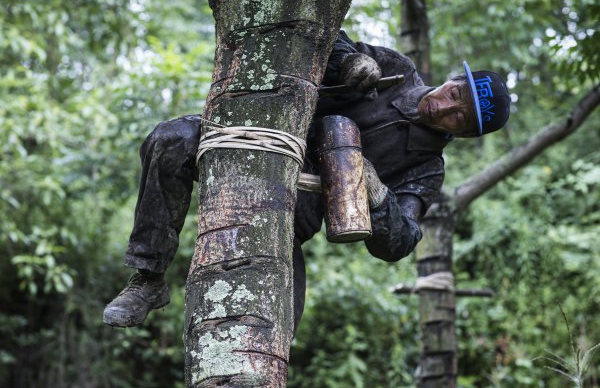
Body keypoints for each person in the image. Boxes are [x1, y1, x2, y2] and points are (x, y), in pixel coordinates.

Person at [103, 31, 510, 329]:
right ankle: (148, 278)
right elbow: (321, 34)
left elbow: (401, 242)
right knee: (171, 139)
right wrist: (351, 61)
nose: (444, 108)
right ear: (453, 80)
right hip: (255, 139)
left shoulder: (426, 169)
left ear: (466, 134)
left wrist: (378, 195)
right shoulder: (397, 69)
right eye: (455, 94)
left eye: (460, 117)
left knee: (277, 326)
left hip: (289, 220)